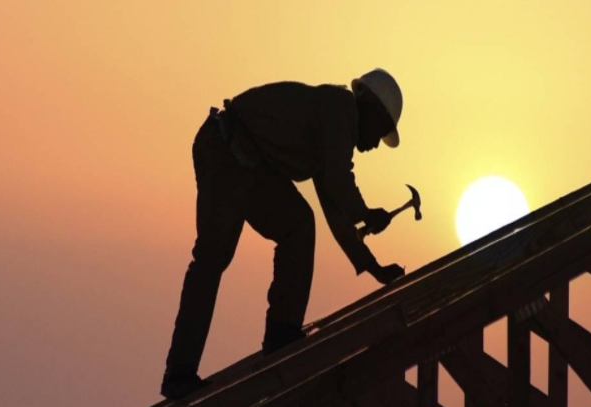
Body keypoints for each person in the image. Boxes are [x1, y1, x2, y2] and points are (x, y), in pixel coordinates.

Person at [161, 68, 407, 400]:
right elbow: (337, 181)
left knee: (299, 224)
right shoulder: (339, 110)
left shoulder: (335, 126)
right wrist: (365, 213)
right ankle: (179, 373)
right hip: (224, 149)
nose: (377, 143)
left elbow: (333, 206)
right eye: (381, 131)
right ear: (372, 110)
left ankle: (281, 331)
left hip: (250, 164)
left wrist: (372, 265)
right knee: (211, 259)